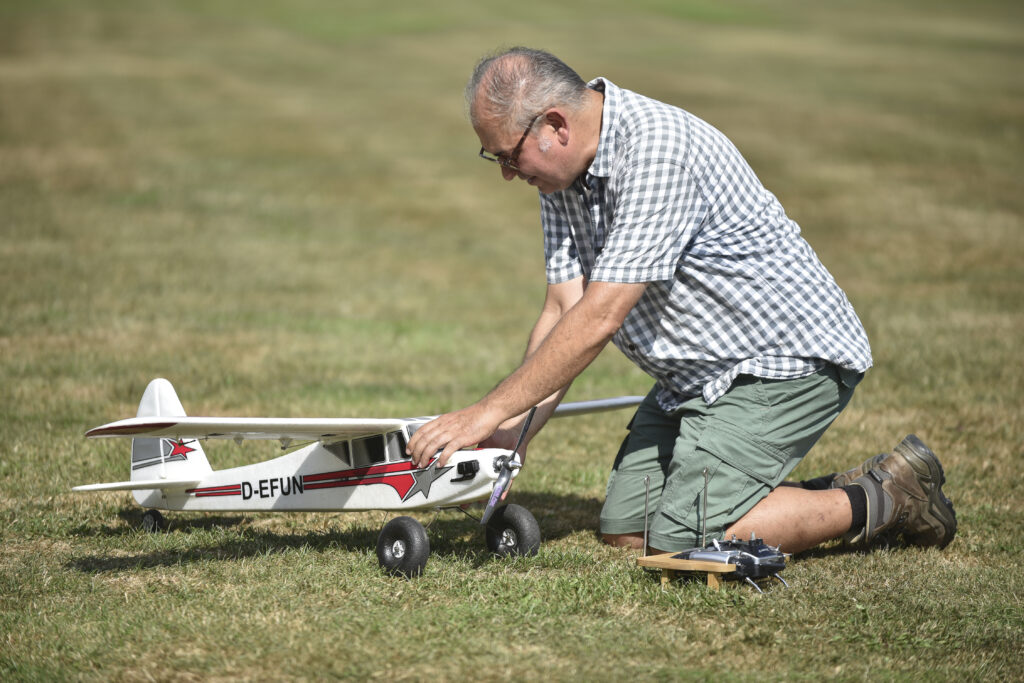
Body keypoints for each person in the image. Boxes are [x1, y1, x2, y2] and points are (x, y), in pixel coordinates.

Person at [407, 47, 956, 554]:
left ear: (555, 125)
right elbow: (561, 310)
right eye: (494, 158)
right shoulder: (561, 177)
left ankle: (892, 496)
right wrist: (511, 435)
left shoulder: (657, 151)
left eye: (508, 156)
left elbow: (599, 316)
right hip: (695, 377)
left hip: (781, 363)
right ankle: (826, 494)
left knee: (679, 540)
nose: (507, 173)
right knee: (628, 531)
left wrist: (483, 413)